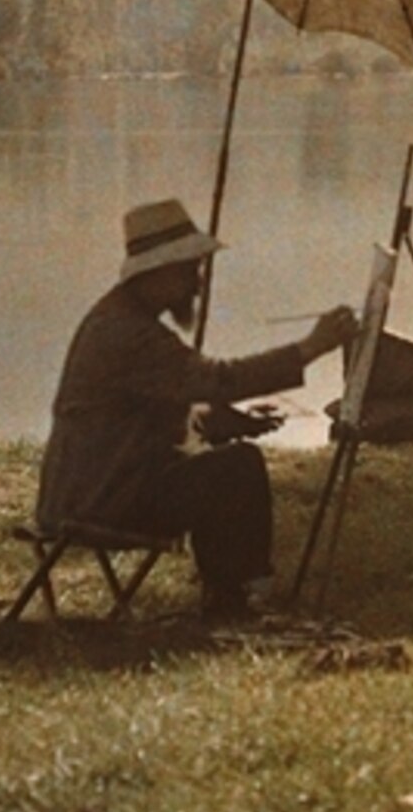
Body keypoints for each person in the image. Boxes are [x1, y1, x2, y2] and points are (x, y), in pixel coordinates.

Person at [37, 199, 358, 620]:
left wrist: (217, 419)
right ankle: (235, 599)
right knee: (235, 468)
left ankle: (228, 595)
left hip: (87, 490)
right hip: (97, 500)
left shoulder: (120, 318)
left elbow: (142, 415)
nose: (197, 283)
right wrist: (311, 347)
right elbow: (220, 379)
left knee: (222, 464)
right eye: (190, 271)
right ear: (158, 273)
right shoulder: (130, 334)